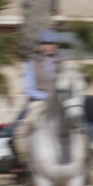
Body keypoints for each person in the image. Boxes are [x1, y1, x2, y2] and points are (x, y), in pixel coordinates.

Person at [12, 30, 62, 162]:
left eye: (52, 44)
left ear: (56, 46)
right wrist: (45, 97)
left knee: (78, 122)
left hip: (60, 101)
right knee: (21, 130)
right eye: (46, 44)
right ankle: (24, 158)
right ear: (40, 46)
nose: (49, 47)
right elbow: (29, 89)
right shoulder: (31, 64)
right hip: (40, 102)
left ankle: (86, 153)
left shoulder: (61, 63)